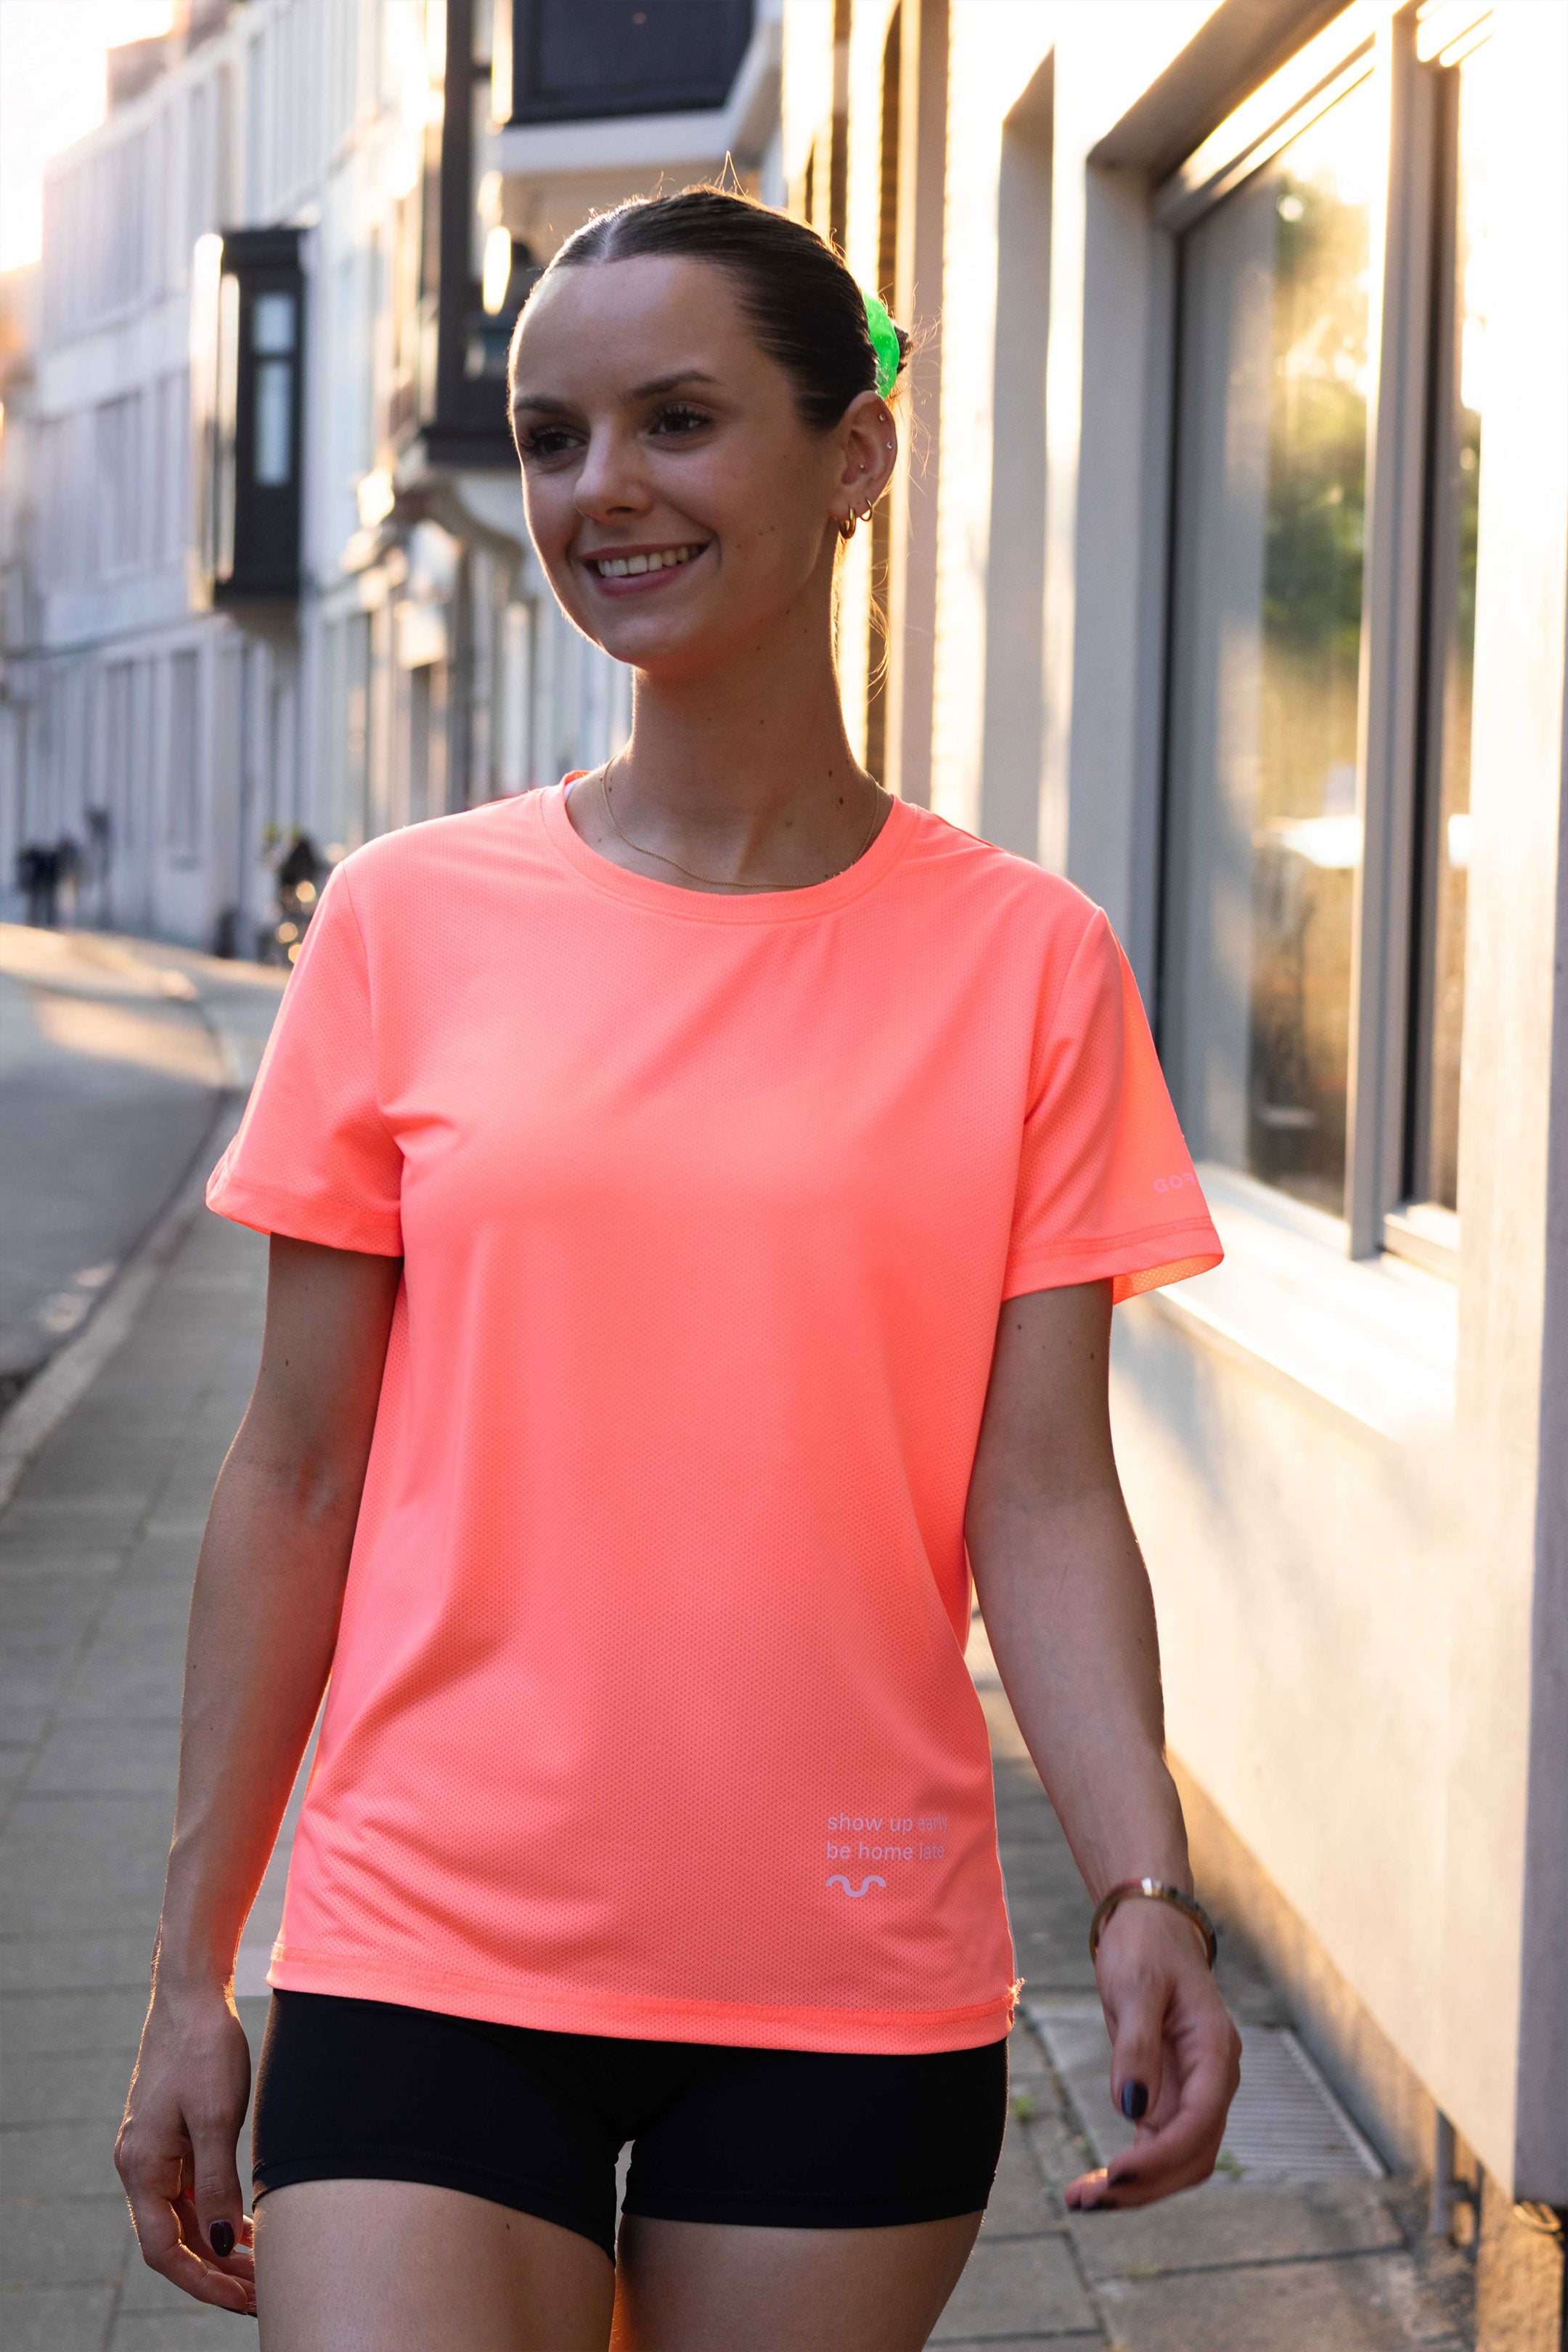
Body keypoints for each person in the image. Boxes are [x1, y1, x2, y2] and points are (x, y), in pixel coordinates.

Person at [115, 187, 1240, 2351]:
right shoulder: (405, 922)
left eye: (680, 420)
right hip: (427, 1934)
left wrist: (1141, 1884)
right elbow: (296, 1476)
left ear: (855, 456)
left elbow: (1042, 1492)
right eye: (555, 437)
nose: (600, 488)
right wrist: (189, 1970)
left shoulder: (1031, 965)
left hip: (848, 1954)